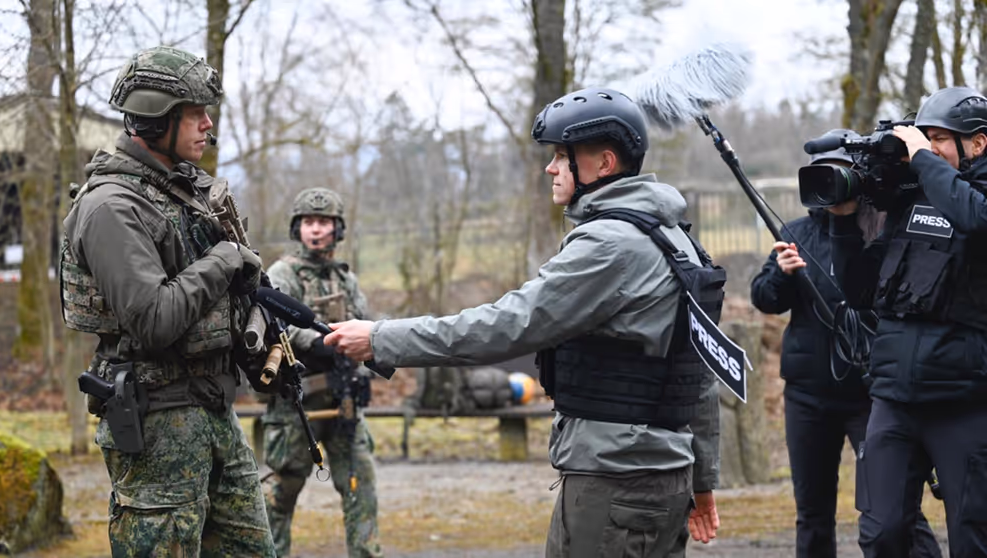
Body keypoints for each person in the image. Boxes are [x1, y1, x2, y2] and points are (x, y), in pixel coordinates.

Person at [322, 87, 723, 557]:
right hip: (660, 477)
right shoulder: (675, 239)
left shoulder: (611, 245)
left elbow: (507, 324)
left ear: (604, 163)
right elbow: (699, 373)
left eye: (560, 156)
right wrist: (701, 477)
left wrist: (380, 338)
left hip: (615, 480)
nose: (550, 169)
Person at [60, 46, 275, 556]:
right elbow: (154, 320)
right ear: (157, 119)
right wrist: (225, 258)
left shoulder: (182, 191)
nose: (208, 125)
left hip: (213, 414)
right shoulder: (111, 205)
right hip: (157, 426)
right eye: (195, 113)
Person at [751, 130, 941, 558]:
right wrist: (781, 273)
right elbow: (764, 298)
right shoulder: (795, 232)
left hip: (868, 392)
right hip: (807, 395)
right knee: (812, 513)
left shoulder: (883, 228)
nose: (830, 186)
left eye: (839, 174)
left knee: (888, 506)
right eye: (822, 176)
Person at [828, 86, 987, 557]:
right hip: (894, 398)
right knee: (882, 533)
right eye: (924, 138)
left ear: (978, 143)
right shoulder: (916, 202)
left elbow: (974, 218)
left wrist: (923, 160)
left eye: (938, 138)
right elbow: (859, 291)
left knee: (973, 538)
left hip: (967, 401)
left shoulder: (969, 201)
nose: (927, 148)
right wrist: (843, 220)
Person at [262, 188, 383, 558]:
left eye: (324, 223)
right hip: (296, 405)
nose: (316, 230)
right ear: (298, 228)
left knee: (361, 485)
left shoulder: (345, 278)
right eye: (309, 222)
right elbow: (277, 322)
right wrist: (321, 342)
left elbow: (363, 321)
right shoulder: (282, 274)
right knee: (280, 494)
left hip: (344, 401)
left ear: (337, 229)